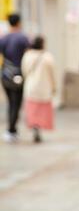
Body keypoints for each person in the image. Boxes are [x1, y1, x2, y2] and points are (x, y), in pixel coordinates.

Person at [0, 13, 30, 143]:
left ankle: (11, 129)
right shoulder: (23, 38)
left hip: (5, 74)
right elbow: (28, 54)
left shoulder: (4, 39)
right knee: (16, 102)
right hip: (18, 74)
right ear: (19, 23)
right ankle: (11, 129)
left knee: (10, 102)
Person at [21, 36, 56, 143]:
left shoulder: (27, 55)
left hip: (31, 87)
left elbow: (24, 71)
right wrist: (54, 86)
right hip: (44, 87)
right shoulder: (48, 57)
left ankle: (35, 127)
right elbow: (52, 74)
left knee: (32, 110)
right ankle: (39, 128)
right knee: (42, 110)